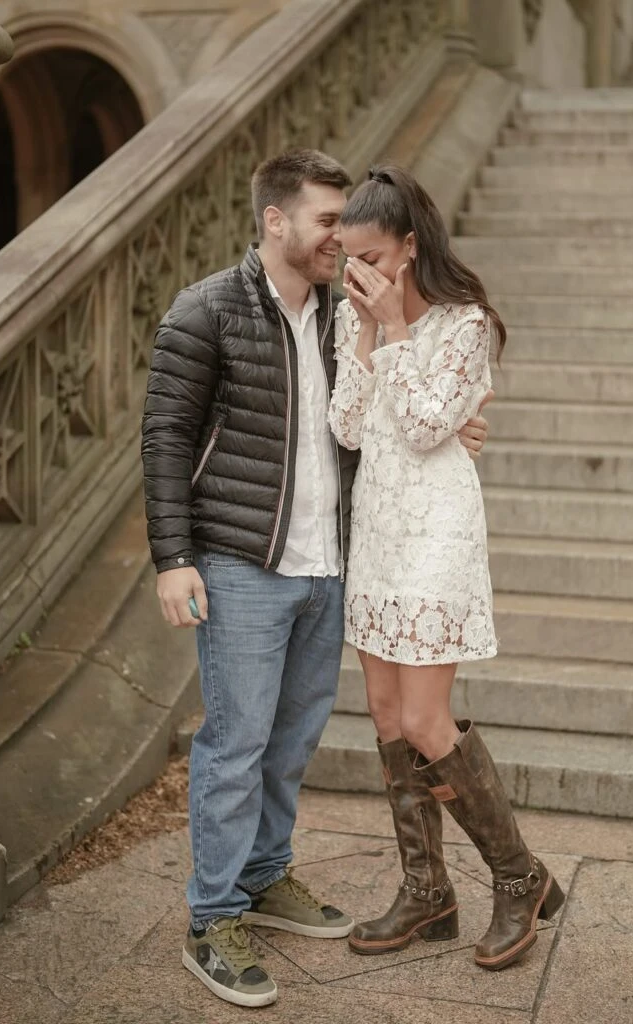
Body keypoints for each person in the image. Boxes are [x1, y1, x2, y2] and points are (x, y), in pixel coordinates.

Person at [141, 148, 492, 1008]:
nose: (341, 238)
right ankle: (213, 918)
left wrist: (456, 430)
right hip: (242, 564)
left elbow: (378, 424)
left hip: (332, 565)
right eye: (328, 220)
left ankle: (265, 877)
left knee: (292, 743)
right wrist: (173, 558)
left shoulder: (345, 313)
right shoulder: (207, 310)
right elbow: (166, 438)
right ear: (276, 220)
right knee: (235, 745)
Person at [328, 165, 564, 972]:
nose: (356, 273)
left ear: (408, 246)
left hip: (437, 533)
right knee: (387, 718)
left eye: (369, 257)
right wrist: (367, 334)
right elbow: (349, 427)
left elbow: (429, 426)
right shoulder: (352, 318)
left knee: (429, 722)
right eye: (348, 260)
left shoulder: (465, 326)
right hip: (378, 534)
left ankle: (518, 877)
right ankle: (427, 891)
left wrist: (395, 331)